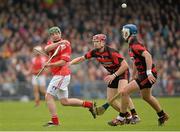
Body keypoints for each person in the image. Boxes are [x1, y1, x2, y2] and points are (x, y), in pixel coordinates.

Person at [70, 34, 140, 126]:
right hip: (113, 74)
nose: (95, 44)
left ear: (103, 42)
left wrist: (114, 75)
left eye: (97, 42)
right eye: (94, 42)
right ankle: (127, 116)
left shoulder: (111, 52)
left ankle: (135, 115)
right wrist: (69, 63)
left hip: (122, 72)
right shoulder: (94, 52)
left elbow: (125, 66)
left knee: (123, 92)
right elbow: (81, 58)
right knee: (111, 100)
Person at [42, 26, 96, 127]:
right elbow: (46, 49)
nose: (55, 35)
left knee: (48, 96)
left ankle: (55, 121)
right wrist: (57, 43)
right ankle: (89, 105)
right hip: (59, 75)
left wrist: (49, 65)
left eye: (57, 33)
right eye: (52, 34)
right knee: (64, 102)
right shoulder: (52, 43)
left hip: (62, 74)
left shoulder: (66, 44)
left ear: (60, 33)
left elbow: (63, 62)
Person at [117, 24, 169, 126]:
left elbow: (148, 56)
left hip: (146, 74)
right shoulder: (131, 46)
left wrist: (149, 73)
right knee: (146, 97)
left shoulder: (135, 45)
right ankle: (162, 115)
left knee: (124, 92)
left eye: (124, 32)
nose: (123, 34)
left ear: (129, 33)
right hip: (142, 74)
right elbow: (136, 61)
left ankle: (121, 118)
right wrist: (134, 75)